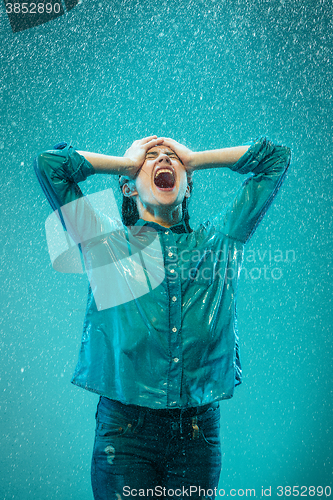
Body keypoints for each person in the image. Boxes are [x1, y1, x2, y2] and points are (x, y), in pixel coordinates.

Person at [34, 135, 291, 500]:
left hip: (198, 436)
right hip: (125, 436)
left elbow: (276, 160)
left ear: (187, 188)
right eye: (149, 158)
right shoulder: (105, 245)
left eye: (173, 158)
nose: (163, 160)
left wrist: (196, 157)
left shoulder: (218, 242)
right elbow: (50, 166)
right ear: (129, 188)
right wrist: (124, 162)